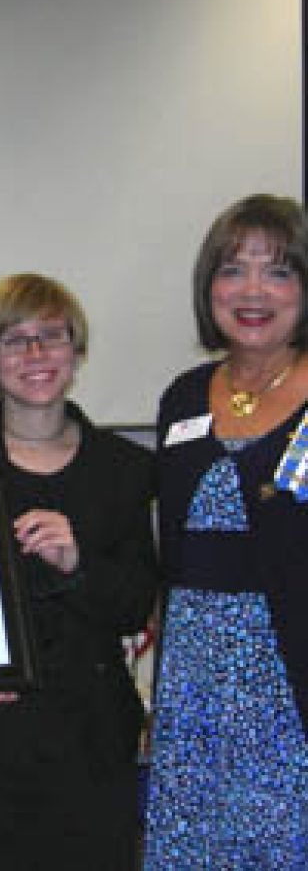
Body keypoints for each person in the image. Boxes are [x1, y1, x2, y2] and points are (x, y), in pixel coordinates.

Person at [0, 273, 158, 871]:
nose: (35, 354)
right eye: (13, 340)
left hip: (91, 742)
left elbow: (136, 603)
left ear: (75, 355)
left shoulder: (127, 468)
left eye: (52, 336)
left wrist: (79, 564)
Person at [144, 195, 308, 868]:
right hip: (194, 688)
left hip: (288, 686)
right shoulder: (183, 397)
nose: (251, 292)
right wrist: (161, 691)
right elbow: (172, 555)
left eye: (278, 272)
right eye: (232, 270)